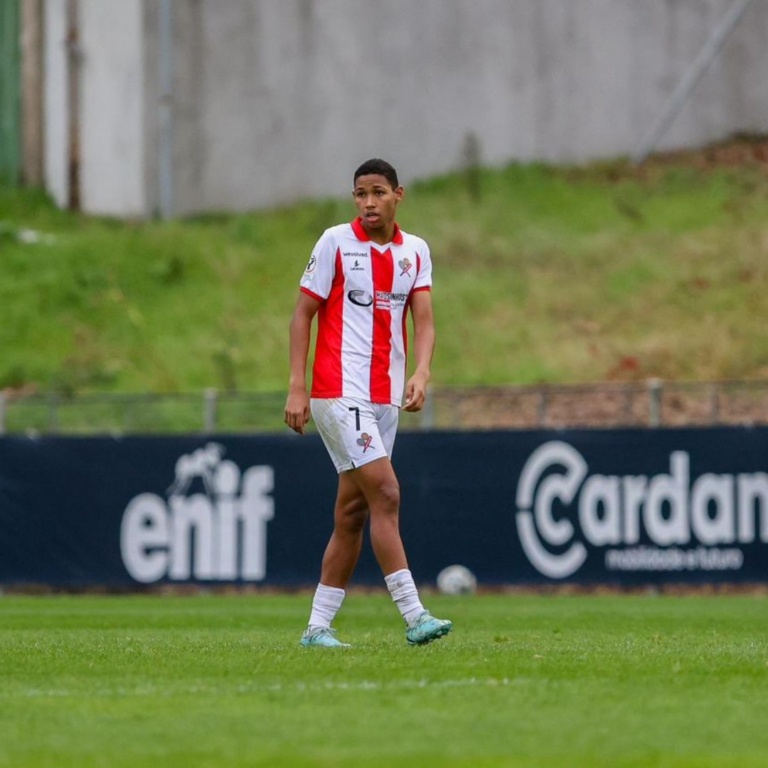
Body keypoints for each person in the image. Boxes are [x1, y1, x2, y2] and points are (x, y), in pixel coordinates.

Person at [284, 158, 452, 648]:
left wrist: (421, 372)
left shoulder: (415, 251)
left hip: (385, 398)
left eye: (378, 192)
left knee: (353, 513)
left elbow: (425, 320)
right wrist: (298, 386)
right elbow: (302, 316)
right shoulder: (335, 242)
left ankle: (317, 628)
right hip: (338, 391)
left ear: (398, 194)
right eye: (360, 194)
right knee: (388, 494)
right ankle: (414, 615)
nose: (368, 202)